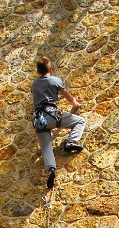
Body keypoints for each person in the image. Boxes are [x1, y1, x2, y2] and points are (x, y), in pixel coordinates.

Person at [31, 55, 85, 190]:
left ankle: (51, 170)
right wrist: (76, 104)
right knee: (79, 122)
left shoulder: (34, 84)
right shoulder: (55, 81)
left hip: (39, 120)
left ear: (38, 71)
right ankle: (71, 142)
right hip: (52, 115)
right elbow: (68, 97)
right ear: (51, 68)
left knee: (46, 147)